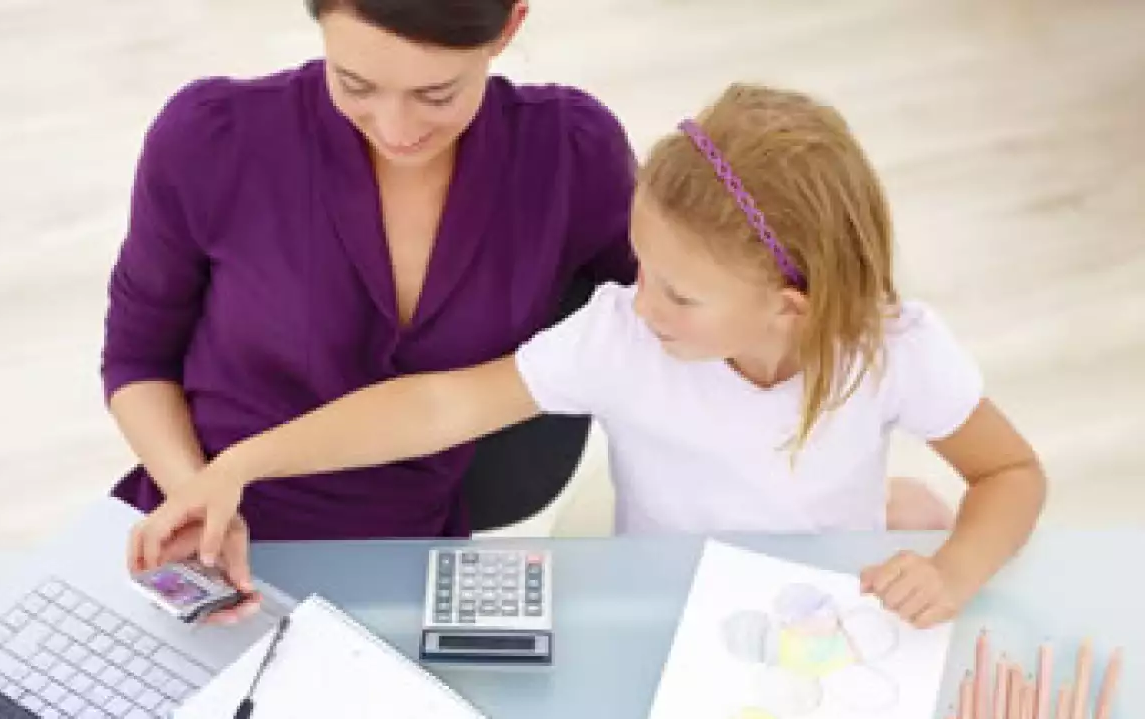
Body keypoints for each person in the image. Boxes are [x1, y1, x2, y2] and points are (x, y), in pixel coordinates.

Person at [131, 83, 1048, 629]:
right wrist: (240, 465)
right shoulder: (623, 334)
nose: (640, 301)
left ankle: (902, 510)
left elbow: (1010, 471)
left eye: (679, 293)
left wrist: (957, 566)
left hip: (824, 607)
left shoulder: (896, 350)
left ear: (788, 303)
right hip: (663, 604)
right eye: (642, 266)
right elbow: (436, 406)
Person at [102, 0, 639, 569]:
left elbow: (663, 318)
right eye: (355, 84)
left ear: (508, 28)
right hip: (190, 537)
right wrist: (197, 500)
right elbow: (138, 360)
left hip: (408, 559)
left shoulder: (570, 156)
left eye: (437, 95)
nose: (396, 131)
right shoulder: (210, 139)